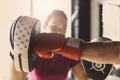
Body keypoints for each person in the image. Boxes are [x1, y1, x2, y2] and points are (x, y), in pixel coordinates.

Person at [10, 10, 88, 80]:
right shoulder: (34, 49)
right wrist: (17, 52)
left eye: (64, 28)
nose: (59, 32)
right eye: (55, 26)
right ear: (44, 26)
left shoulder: (69, 50)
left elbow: (83, 78)